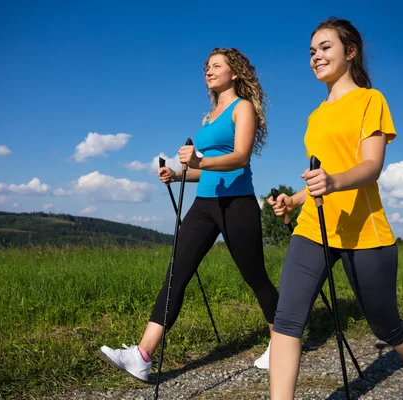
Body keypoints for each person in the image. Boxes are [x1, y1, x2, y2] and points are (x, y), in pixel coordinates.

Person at [267, 18, 403, 400]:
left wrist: (331, 182)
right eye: (312, 51)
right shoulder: (315, 116)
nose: (316, 56)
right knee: (286, 320)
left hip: (364, 232)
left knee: (386, 327)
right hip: (315, 227)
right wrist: (295, 199)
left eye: (325, 47)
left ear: (351, 52)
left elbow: (370, 166)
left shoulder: (370, 99)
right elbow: (319, 174)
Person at [99, 47, 278, 381]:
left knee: (255, 276)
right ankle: (143, 354)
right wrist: (179, 174)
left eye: (216, 66)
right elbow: (204, 169)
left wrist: (197, 162)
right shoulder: (208, 117)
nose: (208, 71)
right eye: (206, 67)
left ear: (234, 72)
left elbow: (240, 157)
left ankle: (281, 342)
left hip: (237, 203)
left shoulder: (243, 109)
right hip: (204, 205)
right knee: (176, 271)